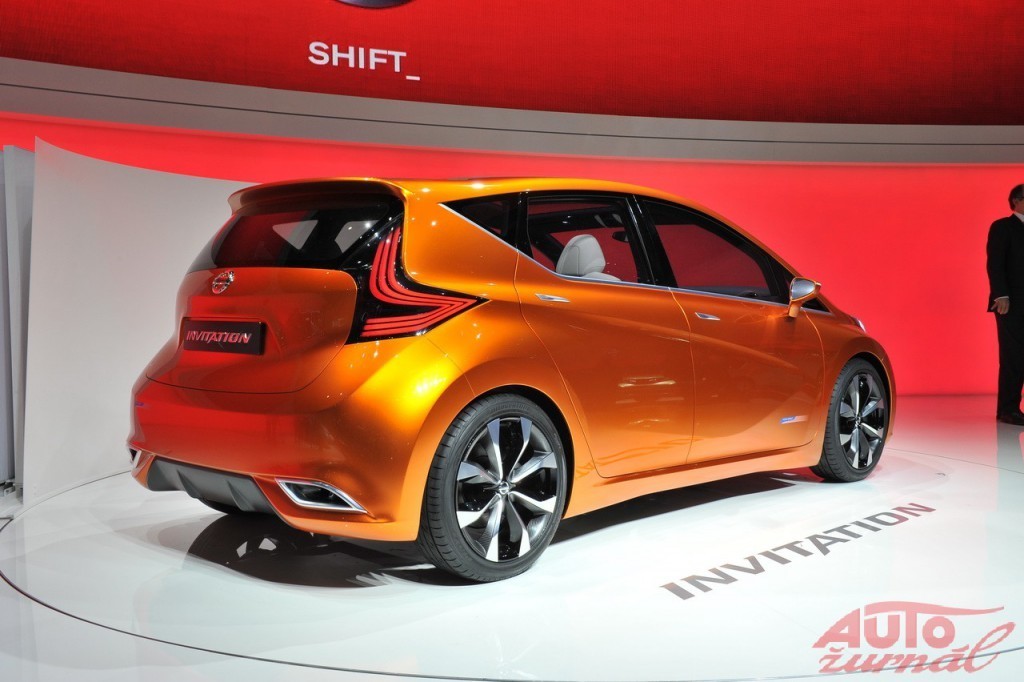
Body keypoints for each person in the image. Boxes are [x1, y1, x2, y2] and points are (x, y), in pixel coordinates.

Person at [987, 183, 1024, 424]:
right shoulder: (1002, 227)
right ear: (1017, 201)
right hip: (1011, 304)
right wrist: (1001, 295)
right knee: (1013, 355)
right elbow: (995, 263)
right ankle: (1008, 409)